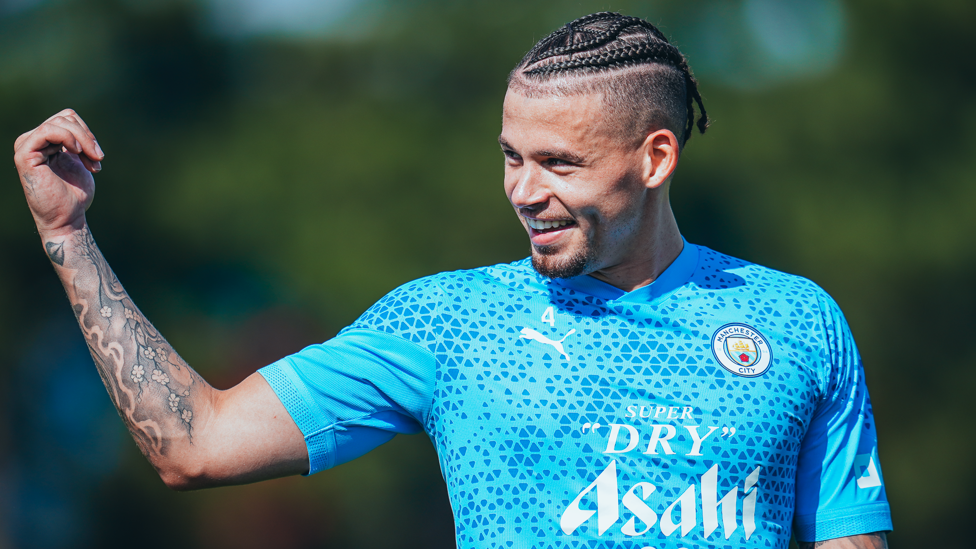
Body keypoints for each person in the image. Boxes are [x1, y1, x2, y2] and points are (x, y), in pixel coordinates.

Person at [12, 12, 891, 549]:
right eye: (510, 157)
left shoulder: (796, 321)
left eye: (558, 162)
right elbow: (193, 445)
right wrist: (69, 234)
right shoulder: (450, 322)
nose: (523, 190)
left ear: (655, 156)